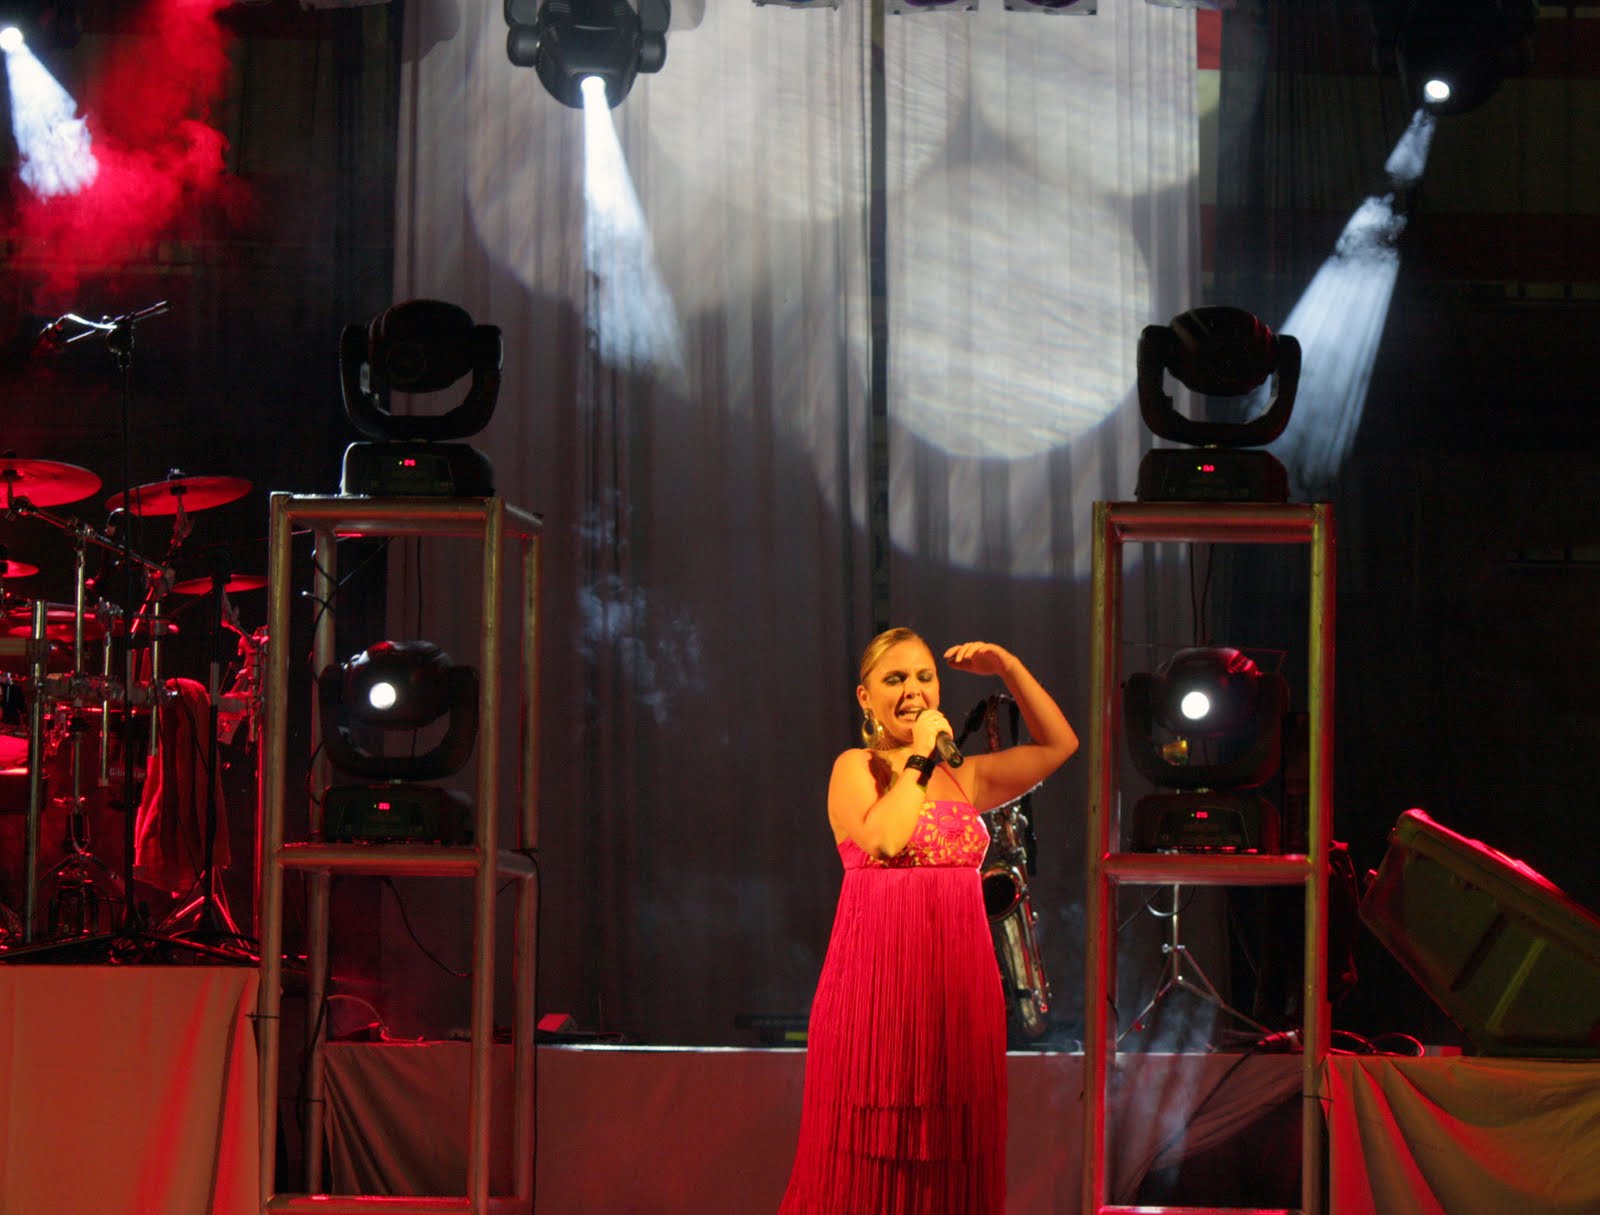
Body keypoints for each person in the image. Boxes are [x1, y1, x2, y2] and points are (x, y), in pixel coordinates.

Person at [777, 627, 1078, 1215]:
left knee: (950, 1159)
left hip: (958, 992)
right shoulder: (856, 767)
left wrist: (1009, 667)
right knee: (867, 1162)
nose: (913, 690)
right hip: (877, 994)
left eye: (924, 677)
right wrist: (919, 756)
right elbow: (886, 839)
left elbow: (1059, 745)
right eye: (895, 679)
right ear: (866, 698)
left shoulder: (965, 777)